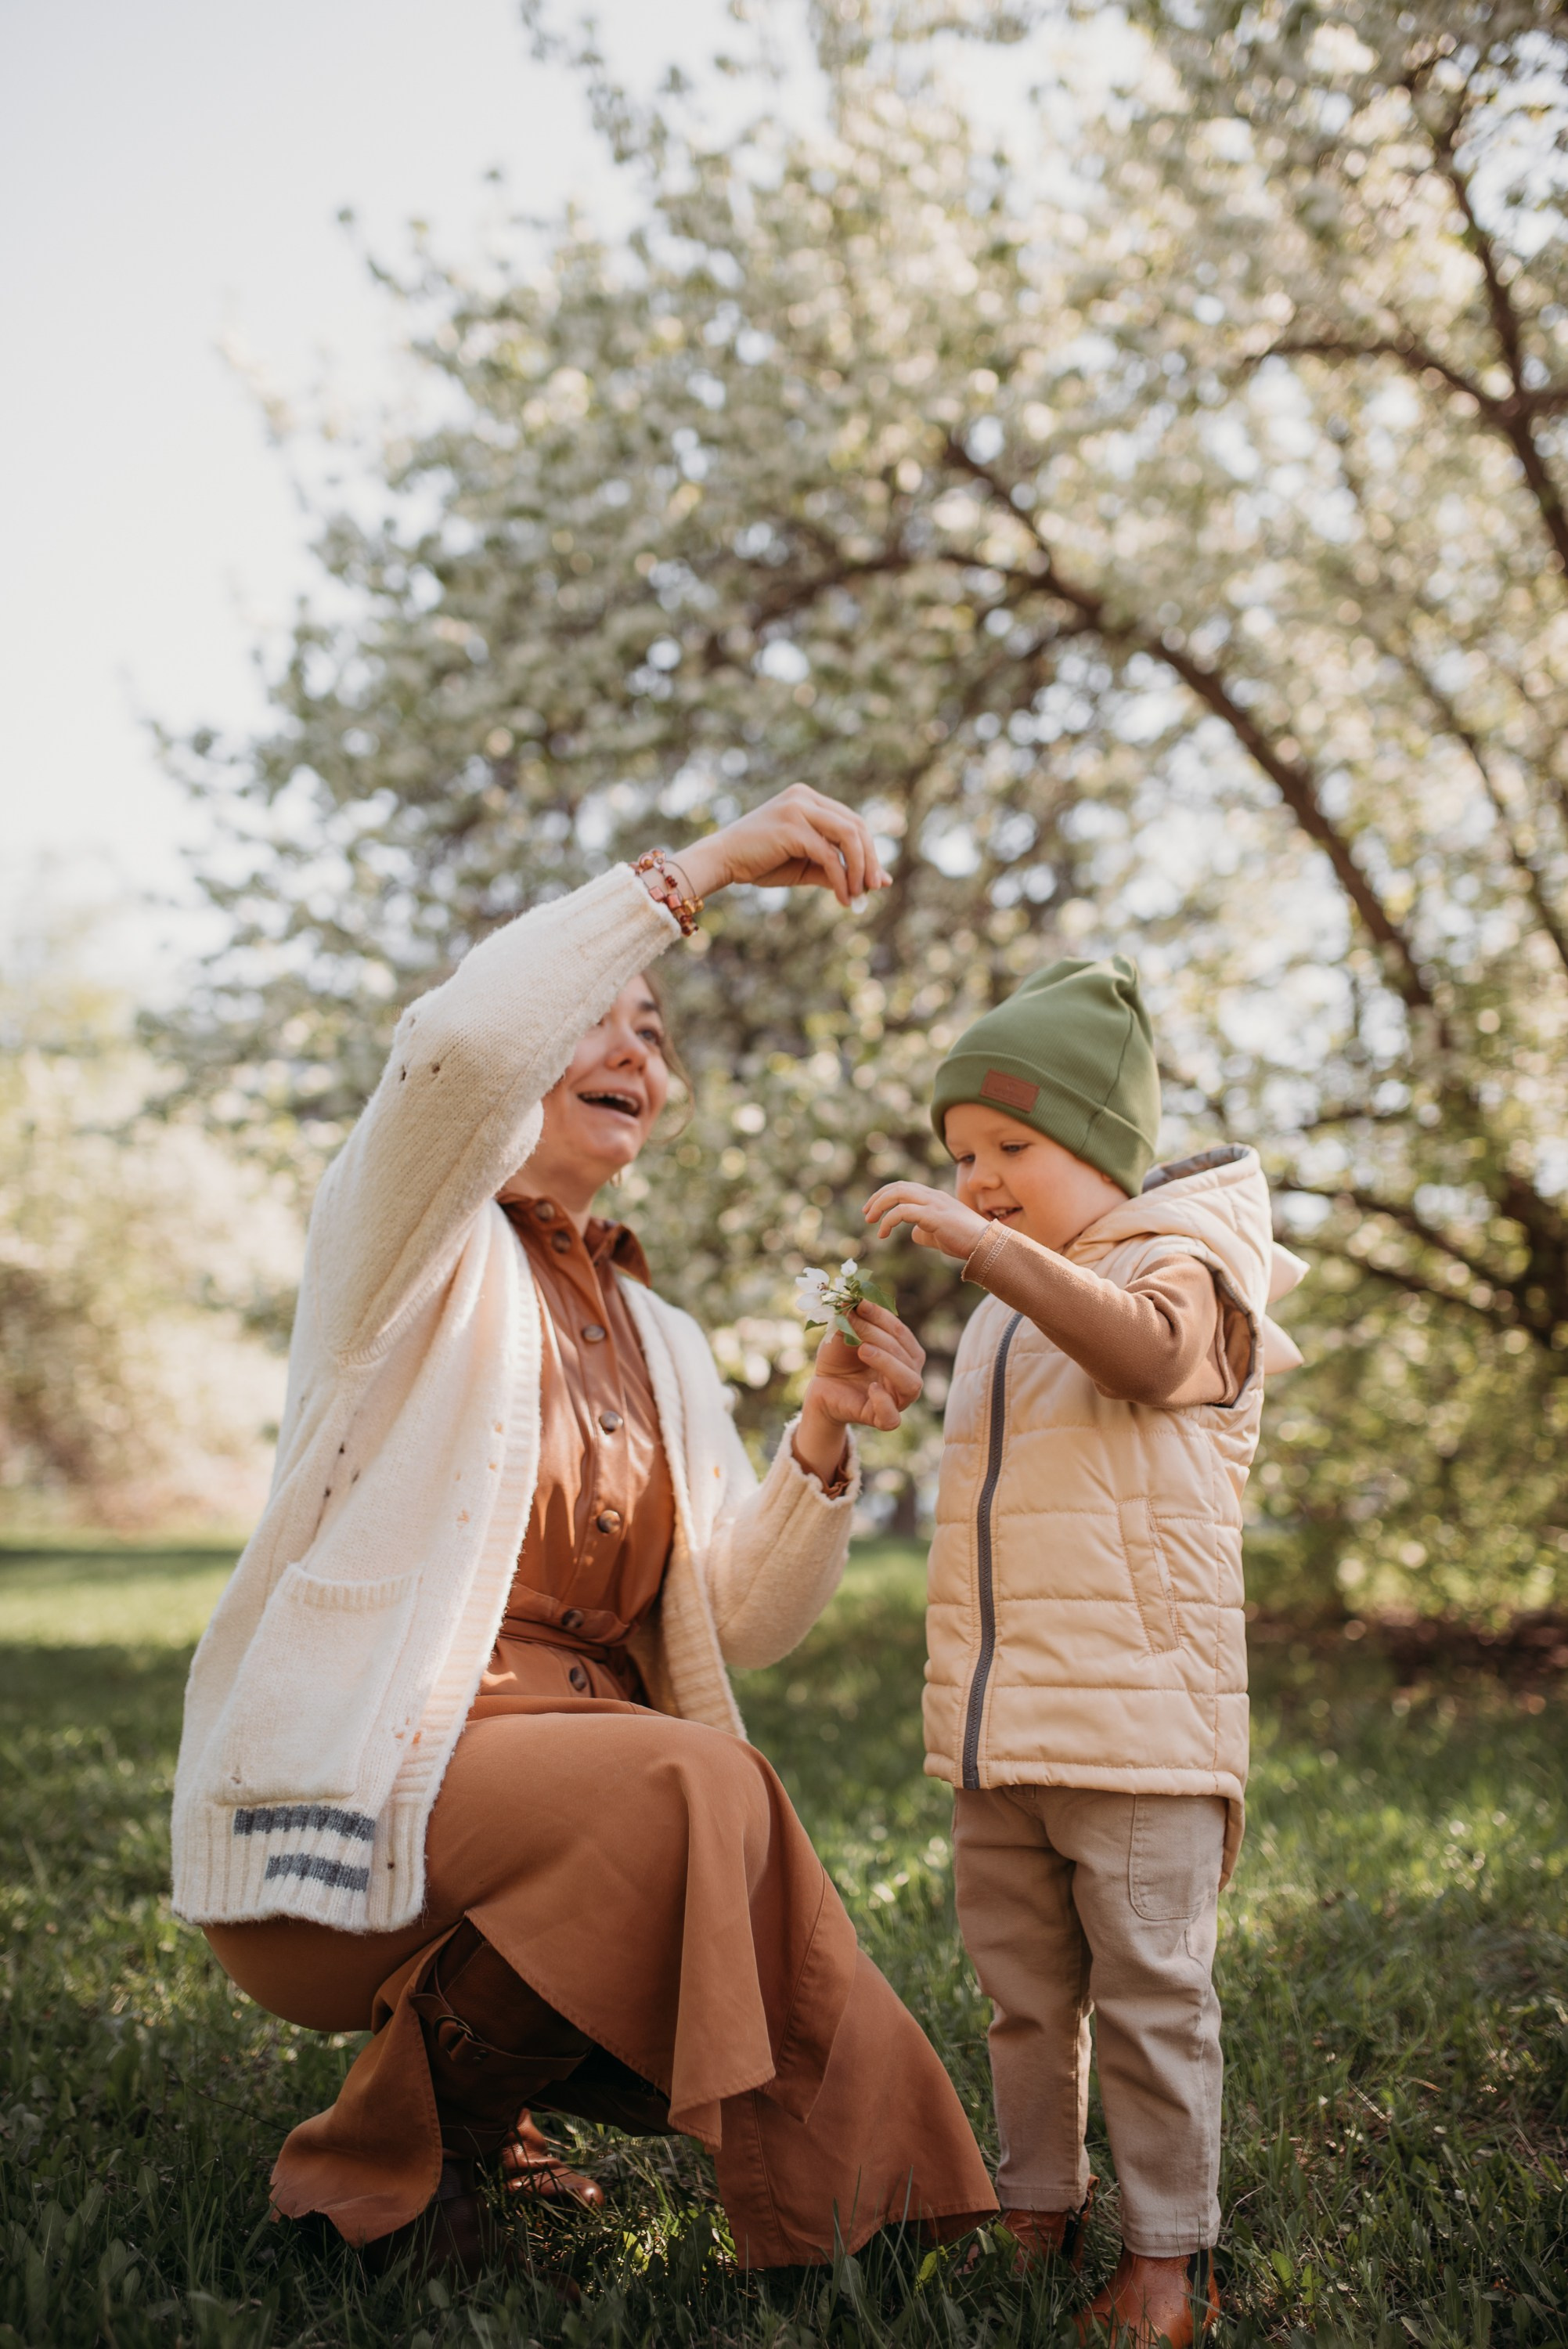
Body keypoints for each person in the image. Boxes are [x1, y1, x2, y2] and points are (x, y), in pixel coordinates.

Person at [173, 786, 997, 2276]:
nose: (634, 1052)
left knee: (699, 1782)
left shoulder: (664, 1335)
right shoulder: (405, 1237)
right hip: (365, 1786)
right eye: (598, 1018)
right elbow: (467, 1044)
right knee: (696, 1783)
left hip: (575, 1806)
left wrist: (818, 1440)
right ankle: (399, 2179)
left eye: (655, 1035)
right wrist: (704, 870)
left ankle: (853, 2212)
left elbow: (737, 1622)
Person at [866, 955, 1303, 2347]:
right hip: (1008, 1732)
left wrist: (989, 1249)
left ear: (1103, 1146)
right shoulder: (1014, 1306)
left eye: (1013, 1145)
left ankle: (1170, 2262)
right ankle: (1034, 2207)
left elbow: (1146, 1357)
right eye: (962, 1154)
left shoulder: (1189, 1266)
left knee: (1152, 1999)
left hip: (1139, 1731)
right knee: (1024, 1999)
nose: (980, 1178)